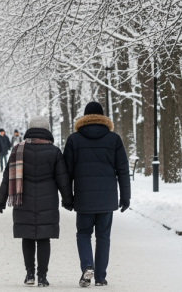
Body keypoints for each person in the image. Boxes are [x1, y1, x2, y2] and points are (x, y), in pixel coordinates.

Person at [0, 116, 73, 287]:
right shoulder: (54, 151)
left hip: (23, 199)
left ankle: (30, 274)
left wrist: (1, 200)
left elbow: (8, 177)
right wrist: (68, 200)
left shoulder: (18, 149)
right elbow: (63, 178)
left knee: (28, 237)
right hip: (48, 201)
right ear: (47, 131)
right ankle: (43, 277)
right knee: (44, 238)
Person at [63, 102, 130, 287]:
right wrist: (125, 197)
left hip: (84, 198)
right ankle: (100, 277)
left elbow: (66, 172)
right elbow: (123, 170)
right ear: (103, 117)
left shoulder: (74, 139)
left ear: (84, 117)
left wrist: (67, 198)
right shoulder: (114, 139)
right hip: (107, 198)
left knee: (83, 233)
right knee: (103, 236)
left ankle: (87, 265)